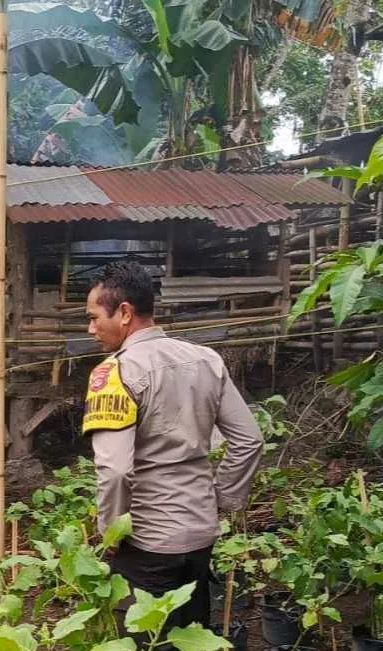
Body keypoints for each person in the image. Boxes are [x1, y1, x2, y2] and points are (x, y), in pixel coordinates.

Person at [82, 261, 264, 632]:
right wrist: (222, 501)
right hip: (200, 532)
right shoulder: (206, 359)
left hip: (147, 543)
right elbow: (249, 439)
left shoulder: (115, 372)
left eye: (94, 317)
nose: (90, 329)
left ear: (125, 313)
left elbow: (116, 471)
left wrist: (111, 533)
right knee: (188, 648)